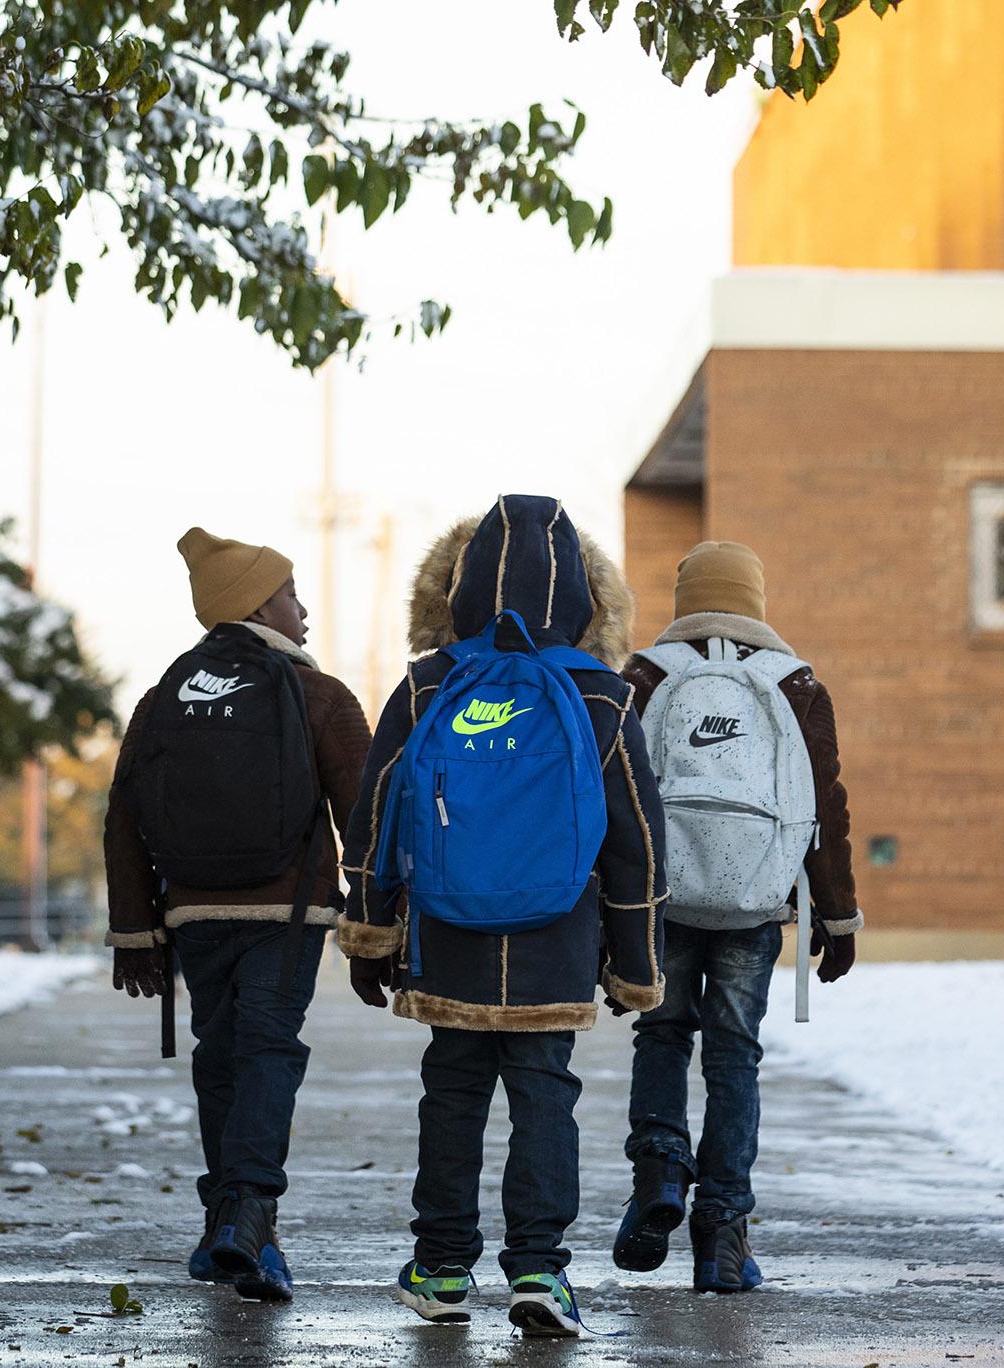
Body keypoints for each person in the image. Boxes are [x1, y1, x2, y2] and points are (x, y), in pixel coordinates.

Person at [336, 494, 666, 1337]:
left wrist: (370, 930)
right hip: (558, 937)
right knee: (544, 1098)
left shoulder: (429, 683)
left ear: (460, 586)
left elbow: (377, 811)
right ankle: (539, 1273)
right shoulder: (602, 695)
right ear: (587, 596)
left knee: (451, 1094)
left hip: (448, 932)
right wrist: (636, 960)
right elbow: (634, 839)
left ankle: (443, 1268)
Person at [103, 527, 370, 1303]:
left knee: (221, 1059)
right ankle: (248, 1212)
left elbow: (123, 815)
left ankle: (235, 1224)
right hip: (288, 911)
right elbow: (370, 816)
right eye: (291, 594)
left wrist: (136, 931)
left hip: (193, 913)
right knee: (267, 1052)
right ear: (258, 603)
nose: (304, 611)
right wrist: (381, 922)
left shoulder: (162, 698)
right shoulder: (318, 695)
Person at [612, 540, 862, 1293]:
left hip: (662, 894)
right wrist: (839, 917)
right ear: (756, 599)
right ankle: (722, 1235)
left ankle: (658, 1174)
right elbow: (826, 807)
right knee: (733, 1055)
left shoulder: (645, 675)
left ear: (684, 597)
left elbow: (614, 794)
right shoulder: (795, 684)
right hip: (754, 903)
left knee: (661, 1033)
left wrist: (607, 912)